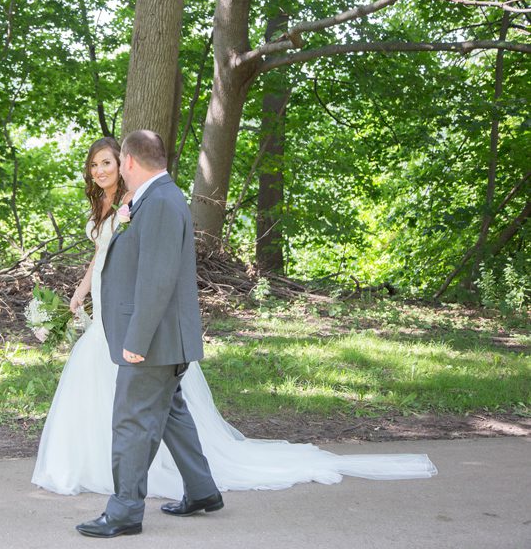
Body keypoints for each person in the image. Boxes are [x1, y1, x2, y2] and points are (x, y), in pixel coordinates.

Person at [31, 134, 437, 534]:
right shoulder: (159, 198)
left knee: (132, 421)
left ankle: (124, 512)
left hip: (151, 338)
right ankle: (203, 490)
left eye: (118, 161)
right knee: (173, 413)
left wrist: (134, 341)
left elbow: (156, 282)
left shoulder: (156, 203)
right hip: (164, 336)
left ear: (131, 163)